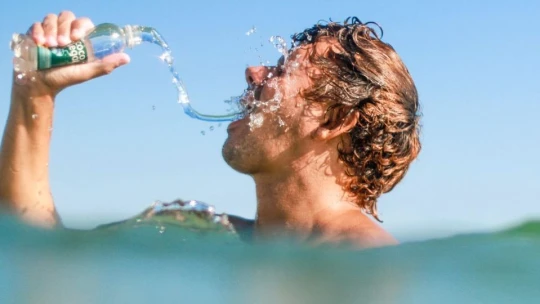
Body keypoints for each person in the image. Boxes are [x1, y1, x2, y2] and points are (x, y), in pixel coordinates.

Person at [0, 11, 421, 249]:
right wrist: (34, 95)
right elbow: (40, 257)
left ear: (332, 120)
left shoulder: (364, 262)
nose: (253, 72)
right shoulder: (201, 234)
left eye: (281, 69)